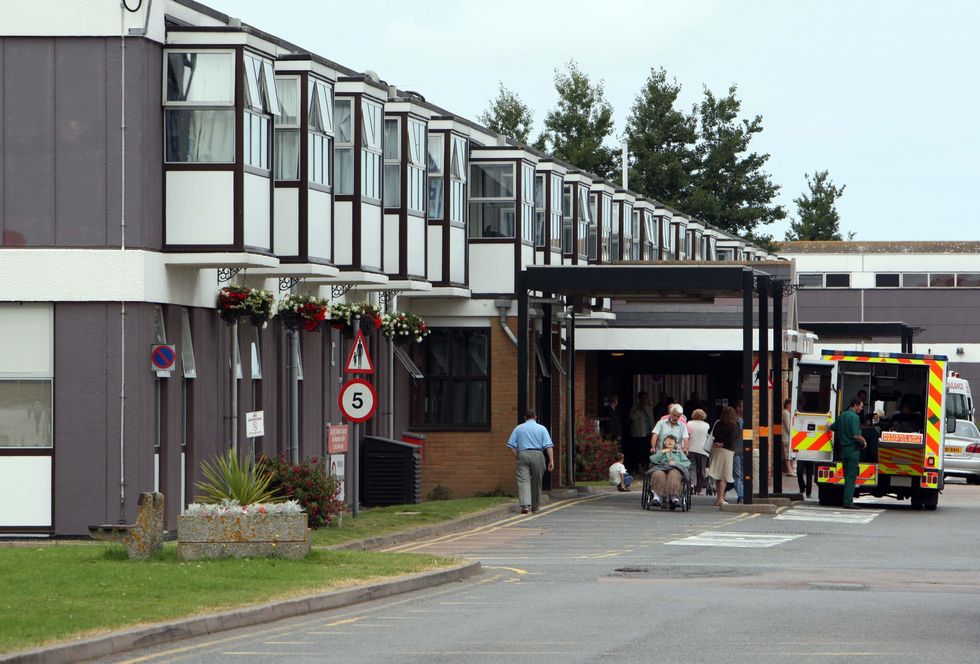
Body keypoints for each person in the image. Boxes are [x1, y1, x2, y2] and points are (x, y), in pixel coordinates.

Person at [507, 409, 555, 514]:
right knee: (536, 482)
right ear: (535, 417)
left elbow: (510, 445)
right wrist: (551, 461)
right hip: (538, 454)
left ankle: (525, 505)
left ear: (525, 417)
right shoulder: (542, 429)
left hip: (523, 454)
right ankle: (535, 506)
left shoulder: (518, 428)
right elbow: (548, 446)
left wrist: (517, 455)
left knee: (523, 481)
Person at [829, 398, 867, 509]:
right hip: (853, 450)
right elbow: (856, 435)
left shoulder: (842, 415)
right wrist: (864, 441)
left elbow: (832, 427)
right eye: (860, 406)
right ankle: (848, 501)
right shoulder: (854, 417)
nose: (861, 408)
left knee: (846, 476)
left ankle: (846, 499)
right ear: (855, 405)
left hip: (844, 450)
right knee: (851, 477)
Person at [646, 434, 691, 508]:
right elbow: (652, 459)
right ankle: (657, 497)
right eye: (668, 440)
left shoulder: (679, 453)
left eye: (672, 441)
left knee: (673, 473)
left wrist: (676, 463)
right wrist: (662, 452)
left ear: (675, 444)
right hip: (661, 468)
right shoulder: (661, 452)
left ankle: (673, 497)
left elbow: (687, 463)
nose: (670, 442)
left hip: (675, 469)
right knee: (658, 473)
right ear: (664, 443)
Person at [707, 406, 739, 506]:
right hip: (726, 452)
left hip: (716, 450)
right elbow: (731, 441)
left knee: (718, 476)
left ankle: (718, 498)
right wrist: (723, 444)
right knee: (724, 477)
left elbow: (712, 434)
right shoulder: (733, 426)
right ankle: (721, 499)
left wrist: (718, 443)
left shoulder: (717, 424)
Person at [628, 392, 654, 474]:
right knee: (639, 451)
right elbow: (631, 417)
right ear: (639, 399)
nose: (644, 400)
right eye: (642, 398)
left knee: (647, 451)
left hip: (649, 433)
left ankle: (645, 467)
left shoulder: (649, 408)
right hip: (638, 434)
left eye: (645, 398)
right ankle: (639, 467)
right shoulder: (634, 408)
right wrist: (638, 409)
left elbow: (652, 419)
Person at [686, 409, 711, 494]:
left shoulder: (688, 424)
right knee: (701, 470)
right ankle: (699, 489)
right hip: (703, 450)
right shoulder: (707, 425)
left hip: (691, 449)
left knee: (692, 468)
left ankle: (692, 484)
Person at [732, 399, 745, 504]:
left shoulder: (747, 420)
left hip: (745, 451)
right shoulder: (733, 421)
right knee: (738, 475)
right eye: (743, 406)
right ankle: (741, 496)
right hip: (736, 451)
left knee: (744, 475)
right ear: (738, 408)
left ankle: (742, 495)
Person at [782, 398, 795, 475]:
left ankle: (790, 470)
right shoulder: (786, 413)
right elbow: (788, 426)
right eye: (790, 404)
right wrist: (792, 435)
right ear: (787, 405)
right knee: (787, 454)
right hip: (786, 437)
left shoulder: (786, 413)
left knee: (788, 454)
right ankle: (789, 470)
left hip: (787, 437)